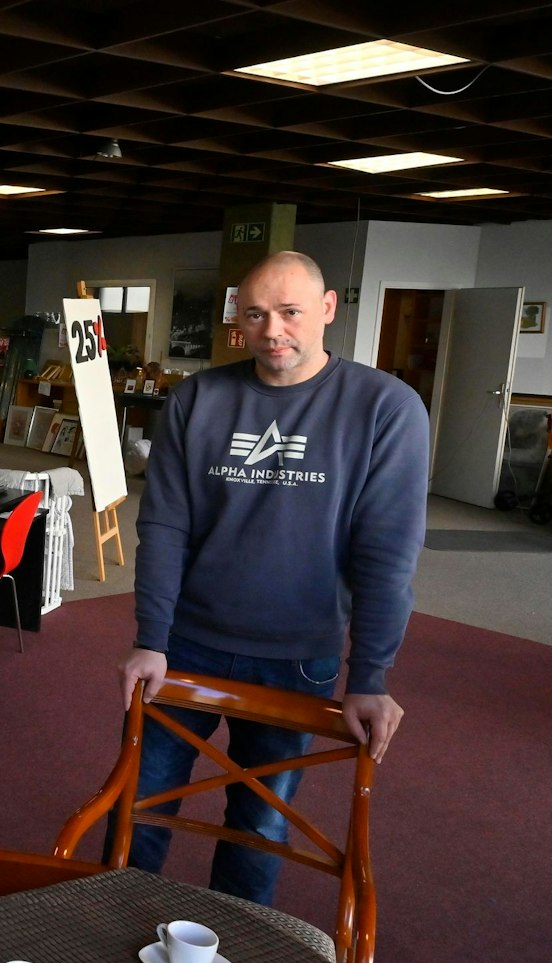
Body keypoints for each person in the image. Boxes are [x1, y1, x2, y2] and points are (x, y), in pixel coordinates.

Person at [116, 250, 428, 905]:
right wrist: (151, 637)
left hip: (297, 658)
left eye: (289, 312)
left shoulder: (386, 407)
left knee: (260, 823)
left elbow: (387, 554)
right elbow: (165, 527)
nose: (272, 330)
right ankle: (105, 929)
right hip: (186, 648)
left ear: (327, 309)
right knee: (137, 805)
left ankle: (237, 949)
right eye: (255, 315)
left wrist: (369, 676)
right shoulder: (198, 399)